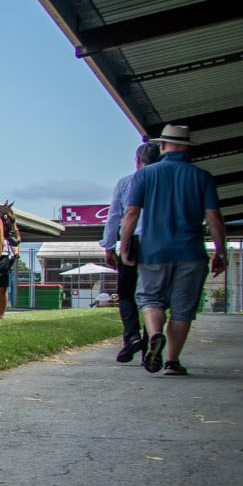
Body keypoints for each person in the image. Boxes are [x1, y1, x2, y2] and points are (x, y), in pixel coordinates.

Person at [119, 125, 227, 376]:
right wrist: (220, 251)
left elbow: (131, 213)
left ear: (163, 146)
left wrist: (124, 245)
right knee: (182, 309)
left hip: (154, 251)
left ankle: (155, 334)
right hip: (191, 253)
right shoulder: (202, 176)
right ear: (187, 148)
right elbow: (214, 218)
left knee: (149, 299)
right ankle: (171, 362)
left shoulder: (145, 175)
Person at [100, 141, 161, 363]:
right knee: (154, 296)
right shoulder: (165, 183)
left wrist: (109, 246)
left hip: (133, 242)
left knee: (126, 293)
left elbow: (115, 216)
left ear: (138, 161)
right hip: (160, 244)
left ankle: (132, 336)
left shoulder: (126, 182)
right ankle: (151, 343)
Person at [0, 236, 16, 321]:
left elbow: (15, 242)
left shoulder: (8, 233)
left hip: (4, 257)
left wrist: (15, 253)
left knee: (3, 288)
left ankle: (1, 315)